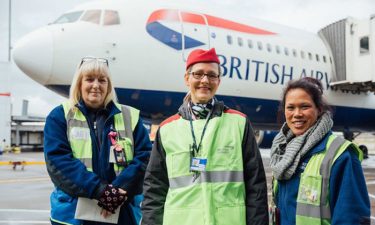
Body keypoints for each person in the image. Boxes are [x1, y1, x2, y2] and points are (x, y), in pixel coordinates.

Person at [141, 48, 268, 225]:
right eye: (198, 74)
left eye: (211, 75)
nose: (205, 80)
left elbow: (256, 186)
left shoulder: (239, 123)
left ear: (218, 81)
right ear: (187, 78)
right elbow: (154, 189)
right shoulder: (167, 129)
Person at [44, 56, 151, 225]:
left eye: (102, 80)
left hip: (121, 213)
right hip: (72, 216)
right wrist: (101, 191)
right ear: (79, 83)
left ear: (109, 86)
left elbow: (145, 158)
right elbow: (58, 162)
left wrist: (117, 192)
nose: (96, 85)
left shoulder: (131, 117)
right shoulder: (59, 116)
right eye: (89, 79)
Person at [270, 77, 370, 225]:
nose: (297, 114)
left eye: (304, 107)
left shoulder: (340, 155)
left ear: (319, 109)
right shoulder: (282, 153)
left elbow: (351, 218)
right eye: (290, 107)